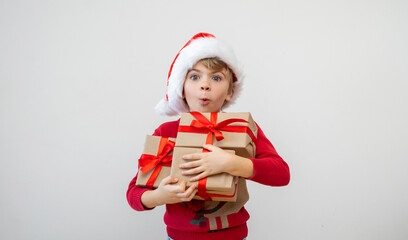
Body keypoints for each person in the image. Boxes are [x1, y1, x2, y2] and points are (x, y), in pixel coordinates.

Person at [127, 33, 290, 240]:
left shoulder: (241, 128)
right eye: (195, 77)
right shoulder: (166, 132)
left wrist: (232, 163)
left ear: (230, 92)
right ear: (182, 89)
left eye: (216, 78)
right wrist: (160, 196)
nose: (205, 85)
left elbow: (282, 174)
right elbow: (133, 194)